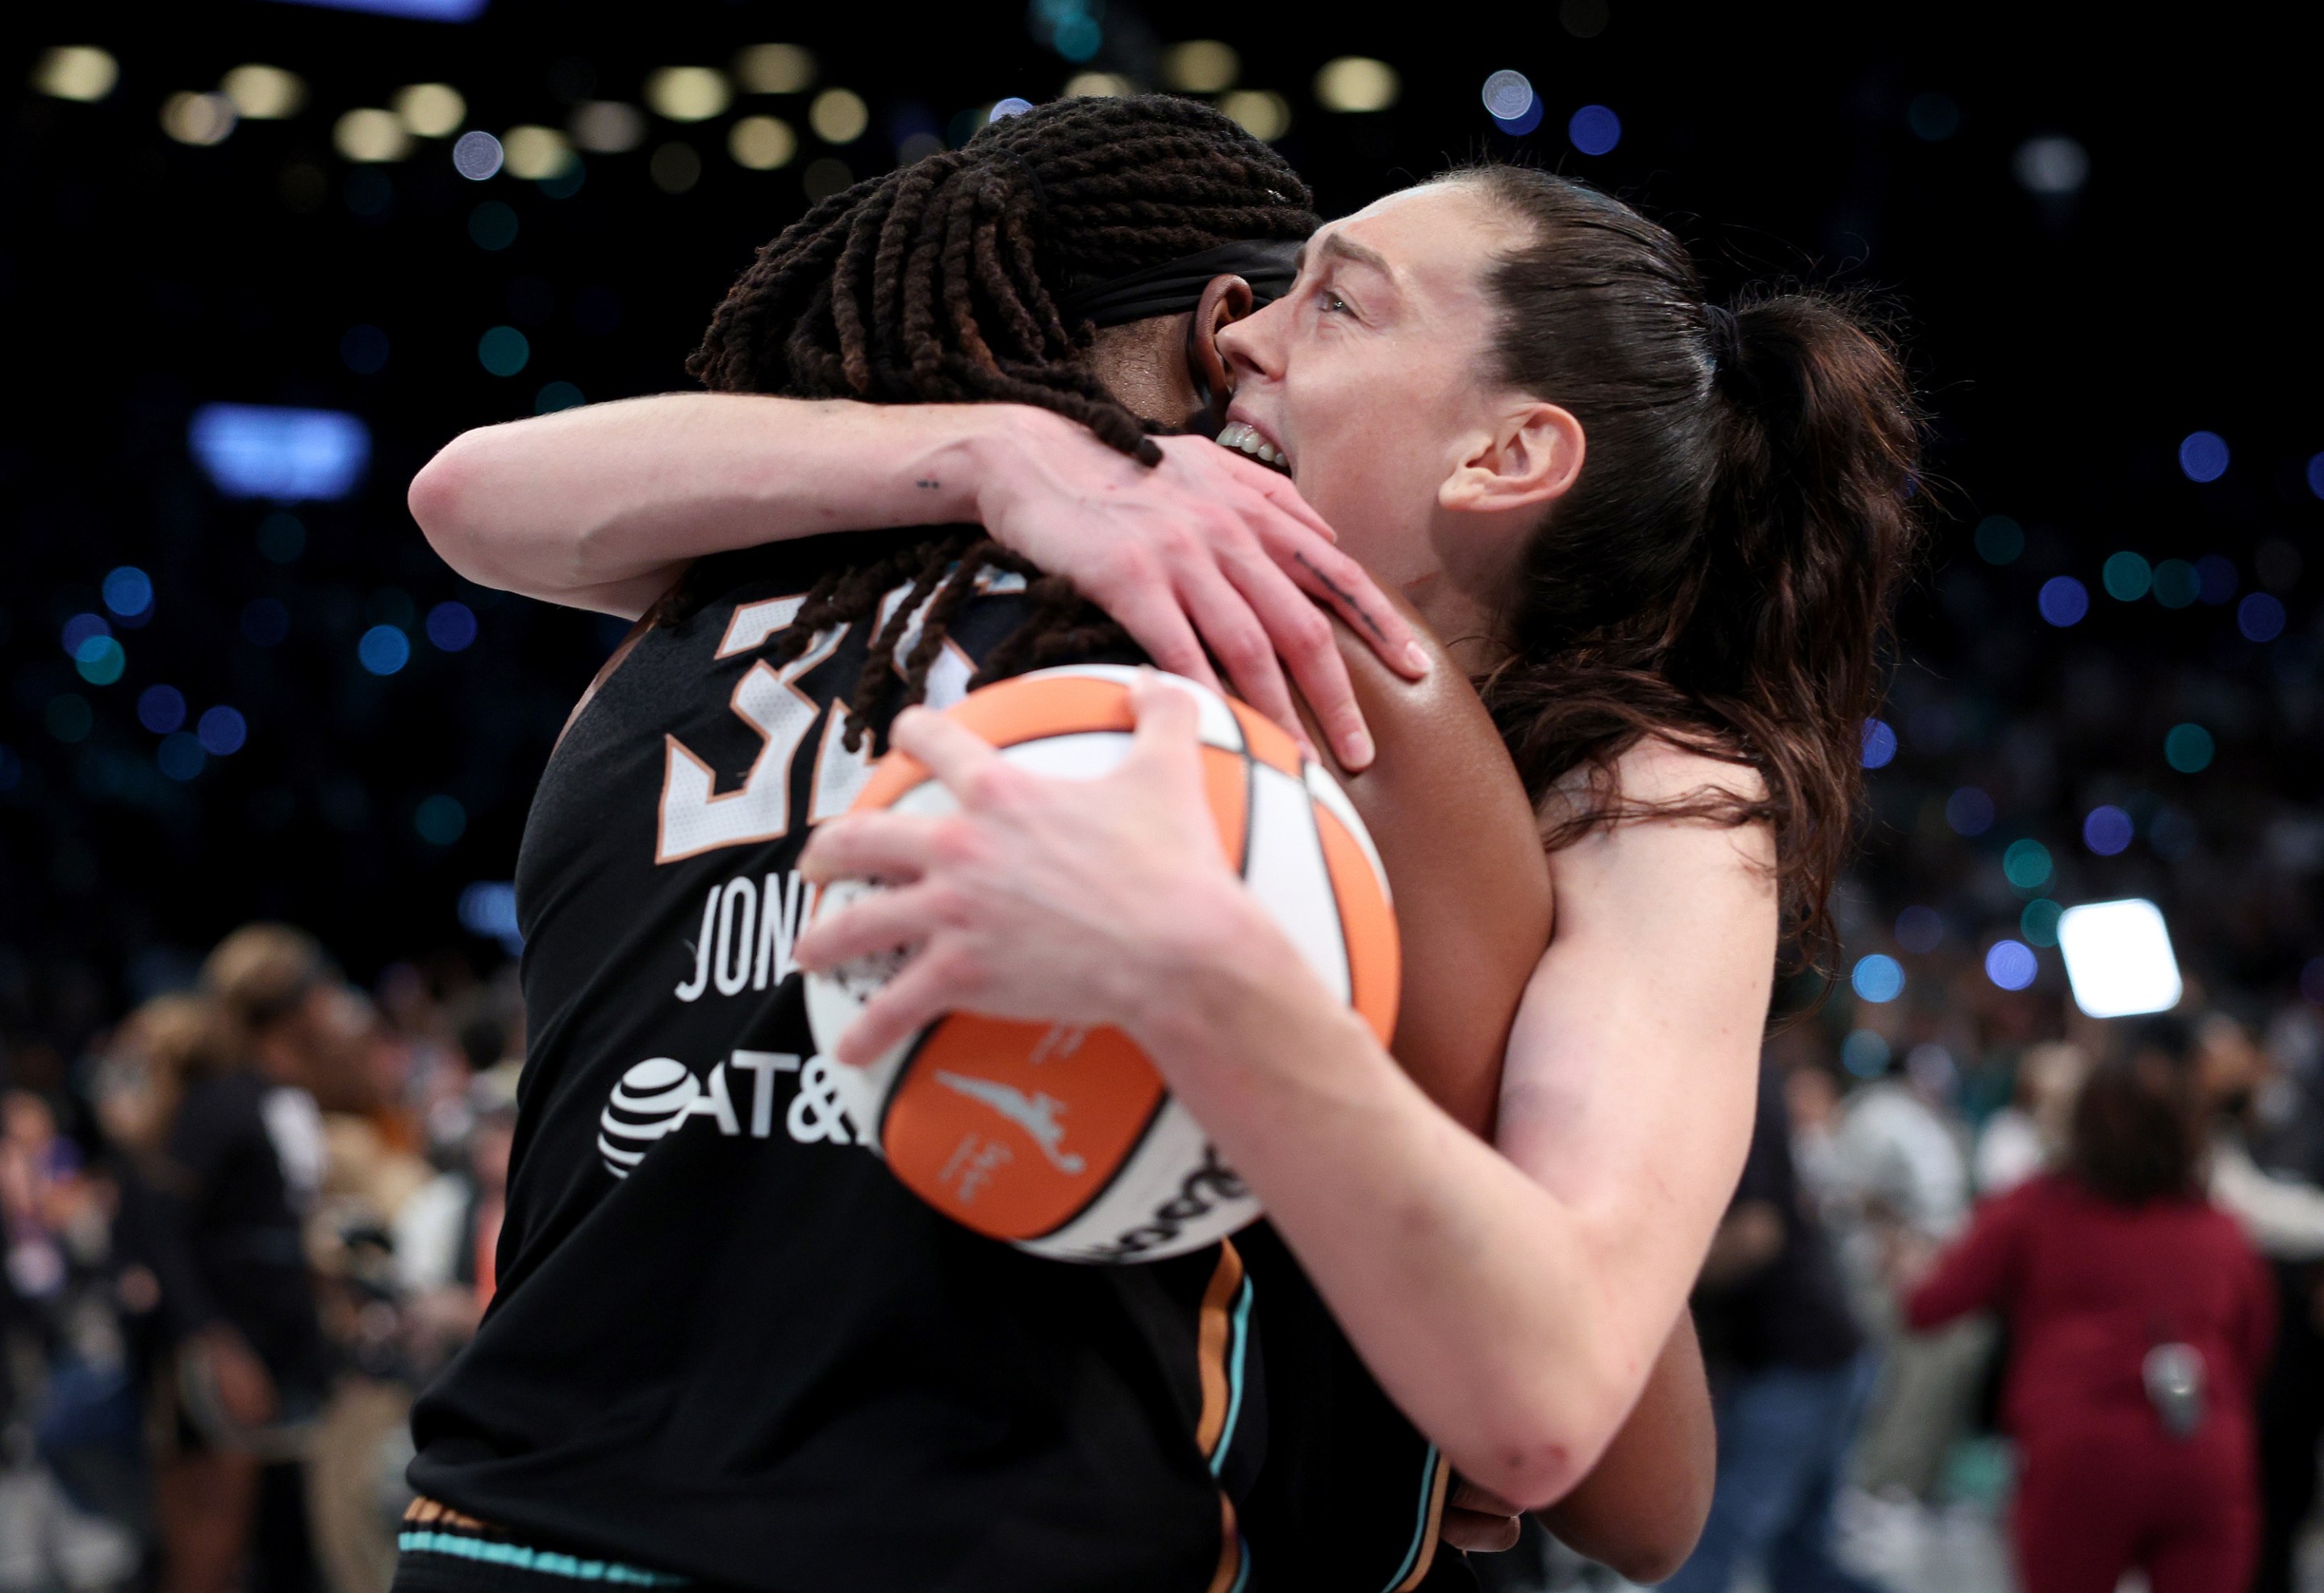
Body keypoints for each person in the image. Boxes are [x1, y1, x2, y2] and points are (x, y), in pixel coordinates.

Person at [420, 113, 1913, 1544]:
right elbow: (474, 492)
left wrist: (1417, 1303)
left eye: (1332, 307)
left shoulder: (1645, 793)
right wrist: (1005, 455)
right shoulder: (1137, 622)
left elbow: (1622, 1467)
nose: (1244, 338)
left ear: (1506, 455)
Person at [1906, 1018, 2274, 1593]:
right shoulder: (2222, 1230)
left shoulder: (2033, 1210)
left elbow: (1929, 1306)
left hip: (2077, 1455)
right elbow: (2254, 1346)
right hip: (2206, 1451)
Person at [1664, 1052, 1879, 1593]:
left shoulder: (1731, 1072)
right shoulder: (1742, 1070)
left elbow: (1755, 1232)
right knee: (1800, 1560)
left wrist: (1642, 1281)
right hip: (1815, 1351)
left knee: (1704, 1553)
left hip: (1796, 1357)